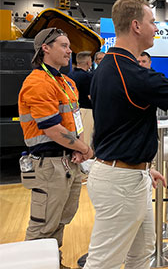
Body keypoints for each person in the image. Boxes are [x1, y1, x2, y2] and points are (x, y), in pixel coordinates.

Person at [85, 0, 168, 269]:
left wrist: (144, 167)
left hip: (126, 174)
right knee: (103, 263)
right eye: (152, 22)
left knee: (141, 253)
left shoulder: (107, 66)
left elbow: (117, 125)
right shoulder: (134, 75)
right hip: (121, 182)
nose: (156, 29)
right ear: (136, 26)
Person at [18, 28, 93, 269]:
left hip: (68, 161)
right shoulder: (37, 82)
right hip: (48, 165)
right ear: (45, 48)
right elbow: (51, 128)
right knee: (43, 225)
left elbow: (74, 119)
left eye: (69, 46)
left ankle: (53, 263)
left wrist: (78, 148)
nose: (70, 51)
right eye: (63, 45)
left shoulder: (67, 83)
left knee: (60, 219)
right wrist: (84, 148)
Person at [67, 51, 94, 147]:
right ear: (88, 62)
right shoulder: (88, 77)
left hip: (71, 111)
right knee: (86, 141)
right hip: (86, 111)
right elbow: (90, 96)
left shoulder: (69, 75)